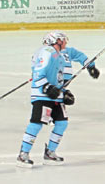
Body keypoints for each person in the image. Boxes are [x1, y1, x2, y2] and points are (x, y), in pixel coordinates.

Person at [16, 31, 97, 167]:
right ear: (56, 41)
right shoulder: (47, 52)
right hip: (42, 94)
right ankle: (23, 154)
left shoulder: (58, 54)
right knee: (36, 123)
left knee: (62, 123)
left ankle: (50, 153)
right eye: (63, 40)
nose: (66, 42)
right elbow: (38, 72)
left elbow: (57, 78)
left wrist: (64, 92)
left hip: (55, 95)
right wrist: (46, 87)